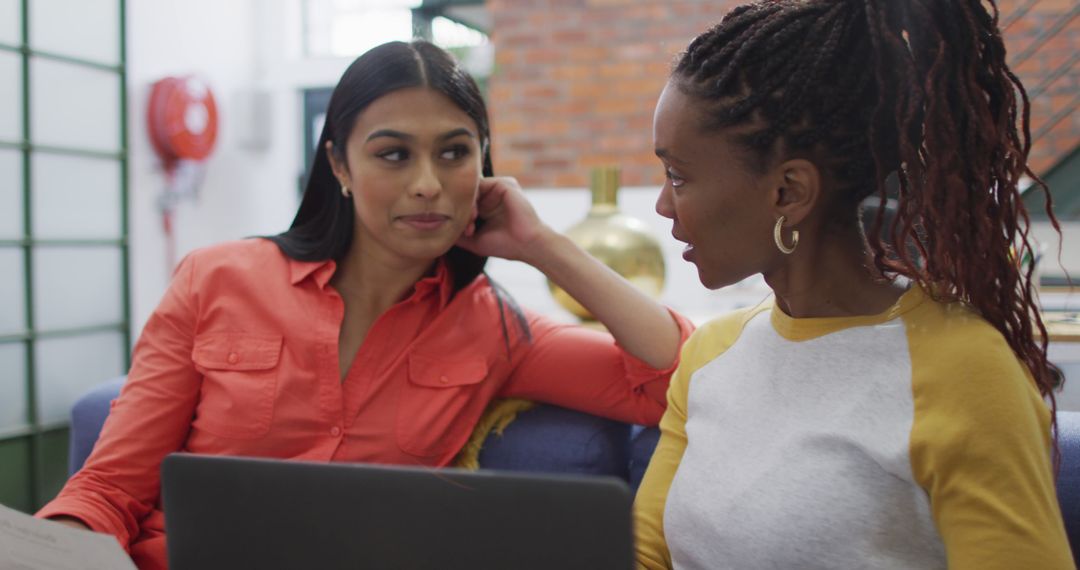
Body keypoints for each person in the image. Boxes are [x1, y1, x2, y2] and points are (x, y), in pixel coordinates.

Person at [36, 40, 691, 570]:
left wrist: (543, 244)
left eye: (455, 152)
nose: (428, 184)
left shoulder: (492, 325)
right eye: (393, 155)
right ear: (340, 166)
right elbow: (108, 490)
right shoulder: (216, 280)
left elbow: (676, 377)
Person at [634, 0, 1073, 568]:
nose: (663, 205)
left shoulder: (965, 372)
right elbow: (644, 555)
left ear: (789, 193)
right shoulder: (710, 355)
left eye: (678, 175)